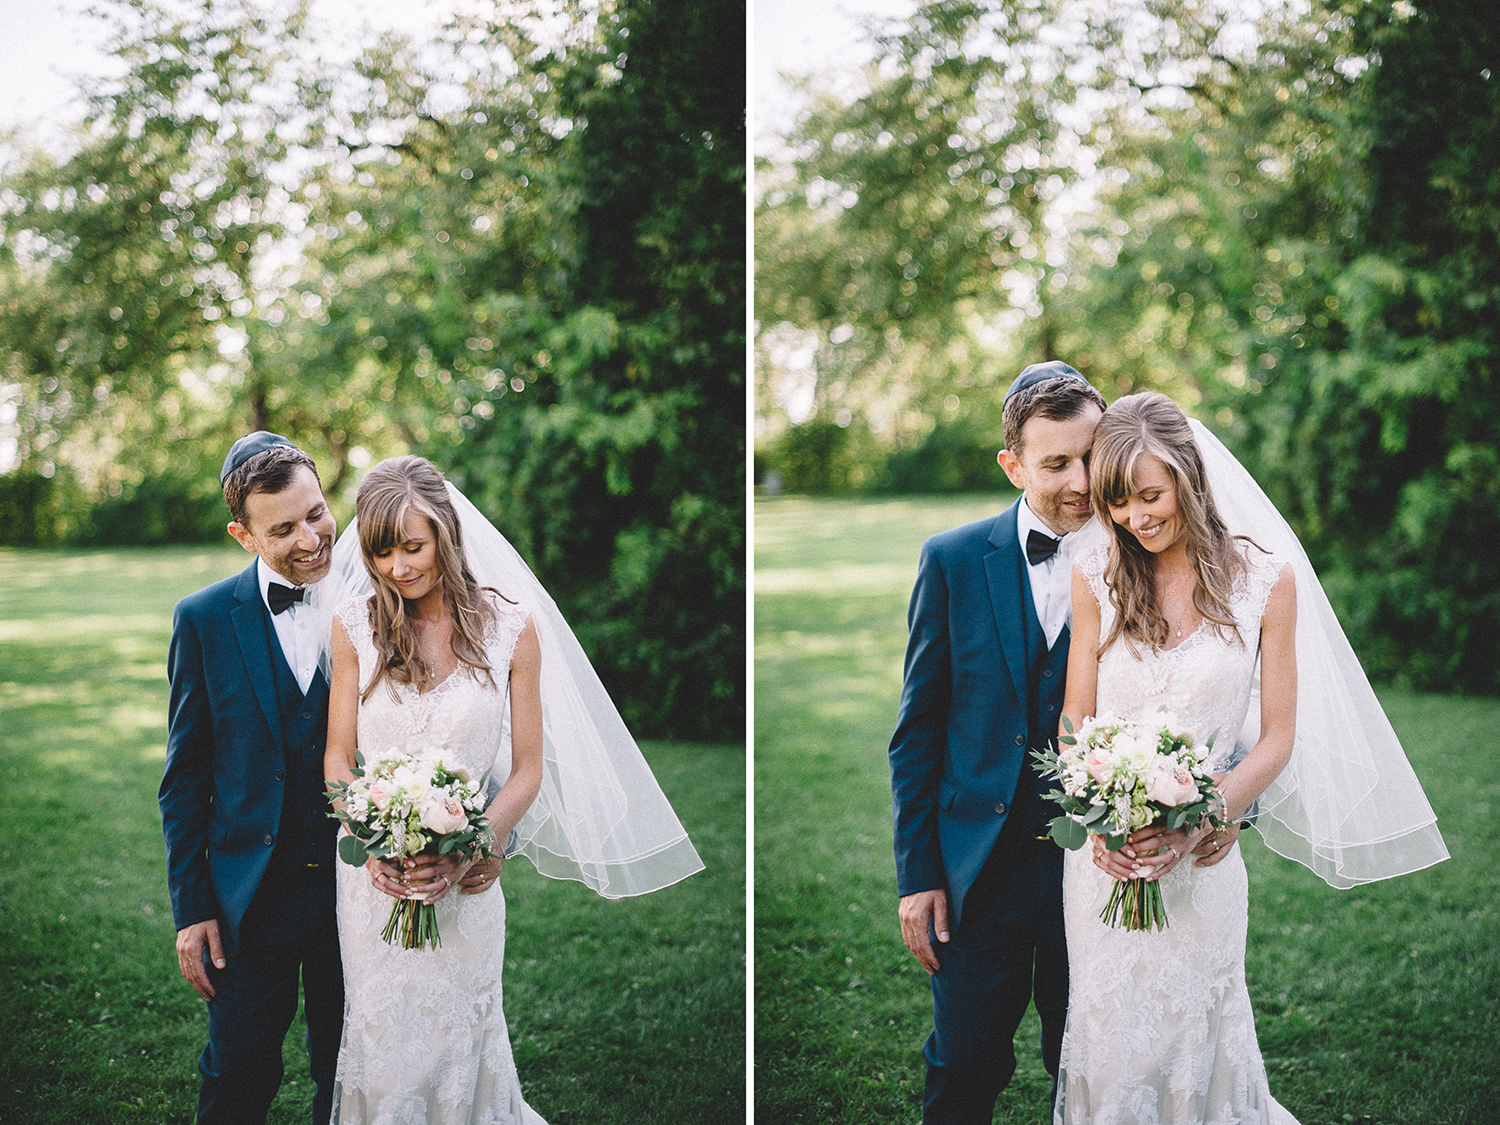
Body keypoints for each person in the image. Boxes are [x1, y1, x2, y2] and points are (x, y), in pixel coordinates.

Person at [1054, 392, 1448, 1123]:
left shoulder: (1265, 582)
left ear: (1188, 479)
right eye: (1118, 502)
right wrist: (1099, 823)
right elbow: (1077, 718)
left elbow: (1276, 735)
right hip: (1105, 867)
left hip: (1203, 861)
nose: (1136, 518)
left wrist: (1207, 816)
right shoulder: (1095, 571)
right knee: (1114, 1044)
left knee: (1199, 1038)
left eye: (1150, 494)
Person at [322, 455, 703, 1122]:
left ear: (446, 532)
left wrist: (477, 844)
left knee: (461, 1033)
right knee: (385, 1039)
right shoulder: (355, 625)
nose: (397, 567)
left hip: (467, 877)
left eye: (413, 546)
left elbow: (527, 765)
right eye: (381, 551)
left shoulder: (511, 628)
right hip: (372, 884)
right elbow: (336, 755)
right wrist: (370, 838)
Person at [888, 361, 1107, 1124]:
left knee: (1087, 1066)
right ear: (1013, 465)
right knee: (964, 1064)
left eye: (1092, 453)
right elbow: (917, 729)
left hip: (1098, 870)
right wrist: (918, 874)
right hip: (976, 873)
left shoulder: (1144, 556)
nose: (1082, 479)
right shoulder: (951, 560)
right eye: (1056, 463)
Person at [161, 432, 345, 1124]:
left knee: (350, 1073)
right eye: (284, 528)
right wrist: (192, 907)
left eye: (317, 513)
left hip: (352, 891)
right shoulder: (203, 619)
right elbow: (183, 777)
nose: (312, 538)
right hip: (248, 902)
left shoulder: (374, 603)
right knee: (236, 1077)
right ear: (242, 534)